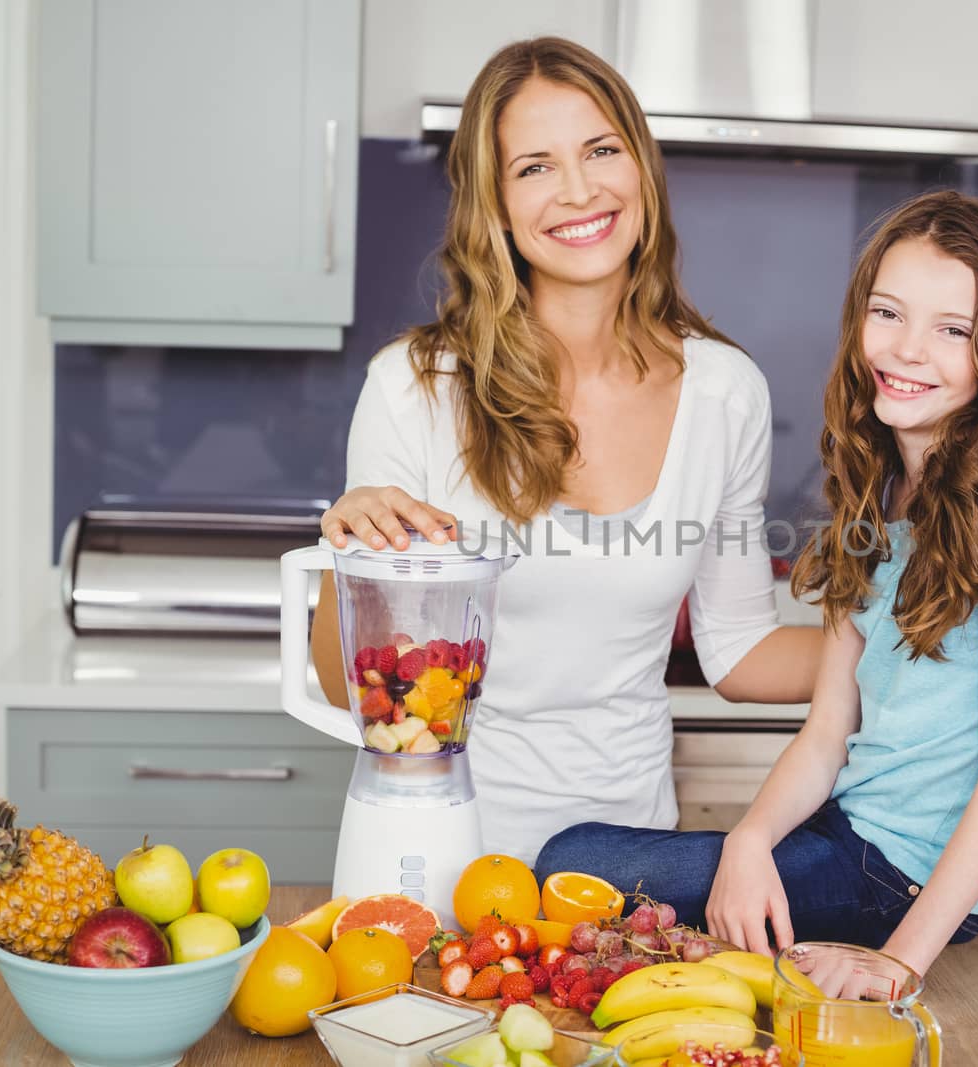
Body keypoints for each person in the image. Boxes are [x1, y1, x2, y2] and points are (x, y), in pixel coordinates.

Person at [535, 190, 978, 978]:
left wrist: (896, 965)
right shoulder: (884, 489)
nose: (906, 349)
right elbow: (829, 730)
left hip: (906, 880)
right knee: (583, 864)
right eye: (888, 313)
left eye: (953, 330)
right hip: (849, 833)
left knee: (567, 863)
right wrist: (753, 840)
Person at [311, 37, 821, 864]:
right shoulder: (417, 387)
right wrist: (352, 563)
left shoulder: (726, 392)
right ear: (496, 206)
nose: (579, 189)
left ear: (642, 169)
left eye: (600, 150)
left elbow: (738, 648)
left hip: (629, 867)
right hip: (441, 854)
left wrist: (920, 653)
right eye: (535, 167)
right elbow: (351, 686)